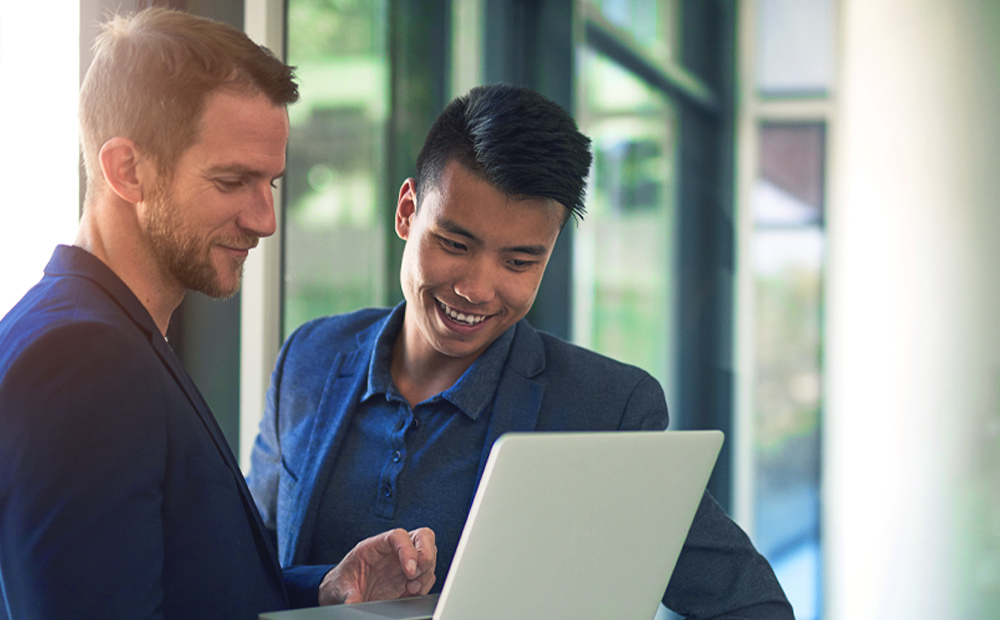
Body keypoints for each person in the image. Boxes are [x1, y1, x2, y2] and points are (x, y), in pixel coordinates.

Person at [247, 83, 794, 618]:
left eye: (518, 262)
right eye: (455, 244)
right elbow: (246, 569)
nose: (477, 289)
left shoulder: (605, 411)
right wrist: (326, 587)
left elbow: (755, 606)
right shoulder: (310, 358)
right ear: (408, 211)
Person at [0, 8, 436, 620]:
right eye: (233, 181)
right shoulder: (84, 360)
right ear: (127, 170)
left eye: (271, 184)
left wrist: (323, 592)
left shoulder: (105, 336)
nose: (265, 220)